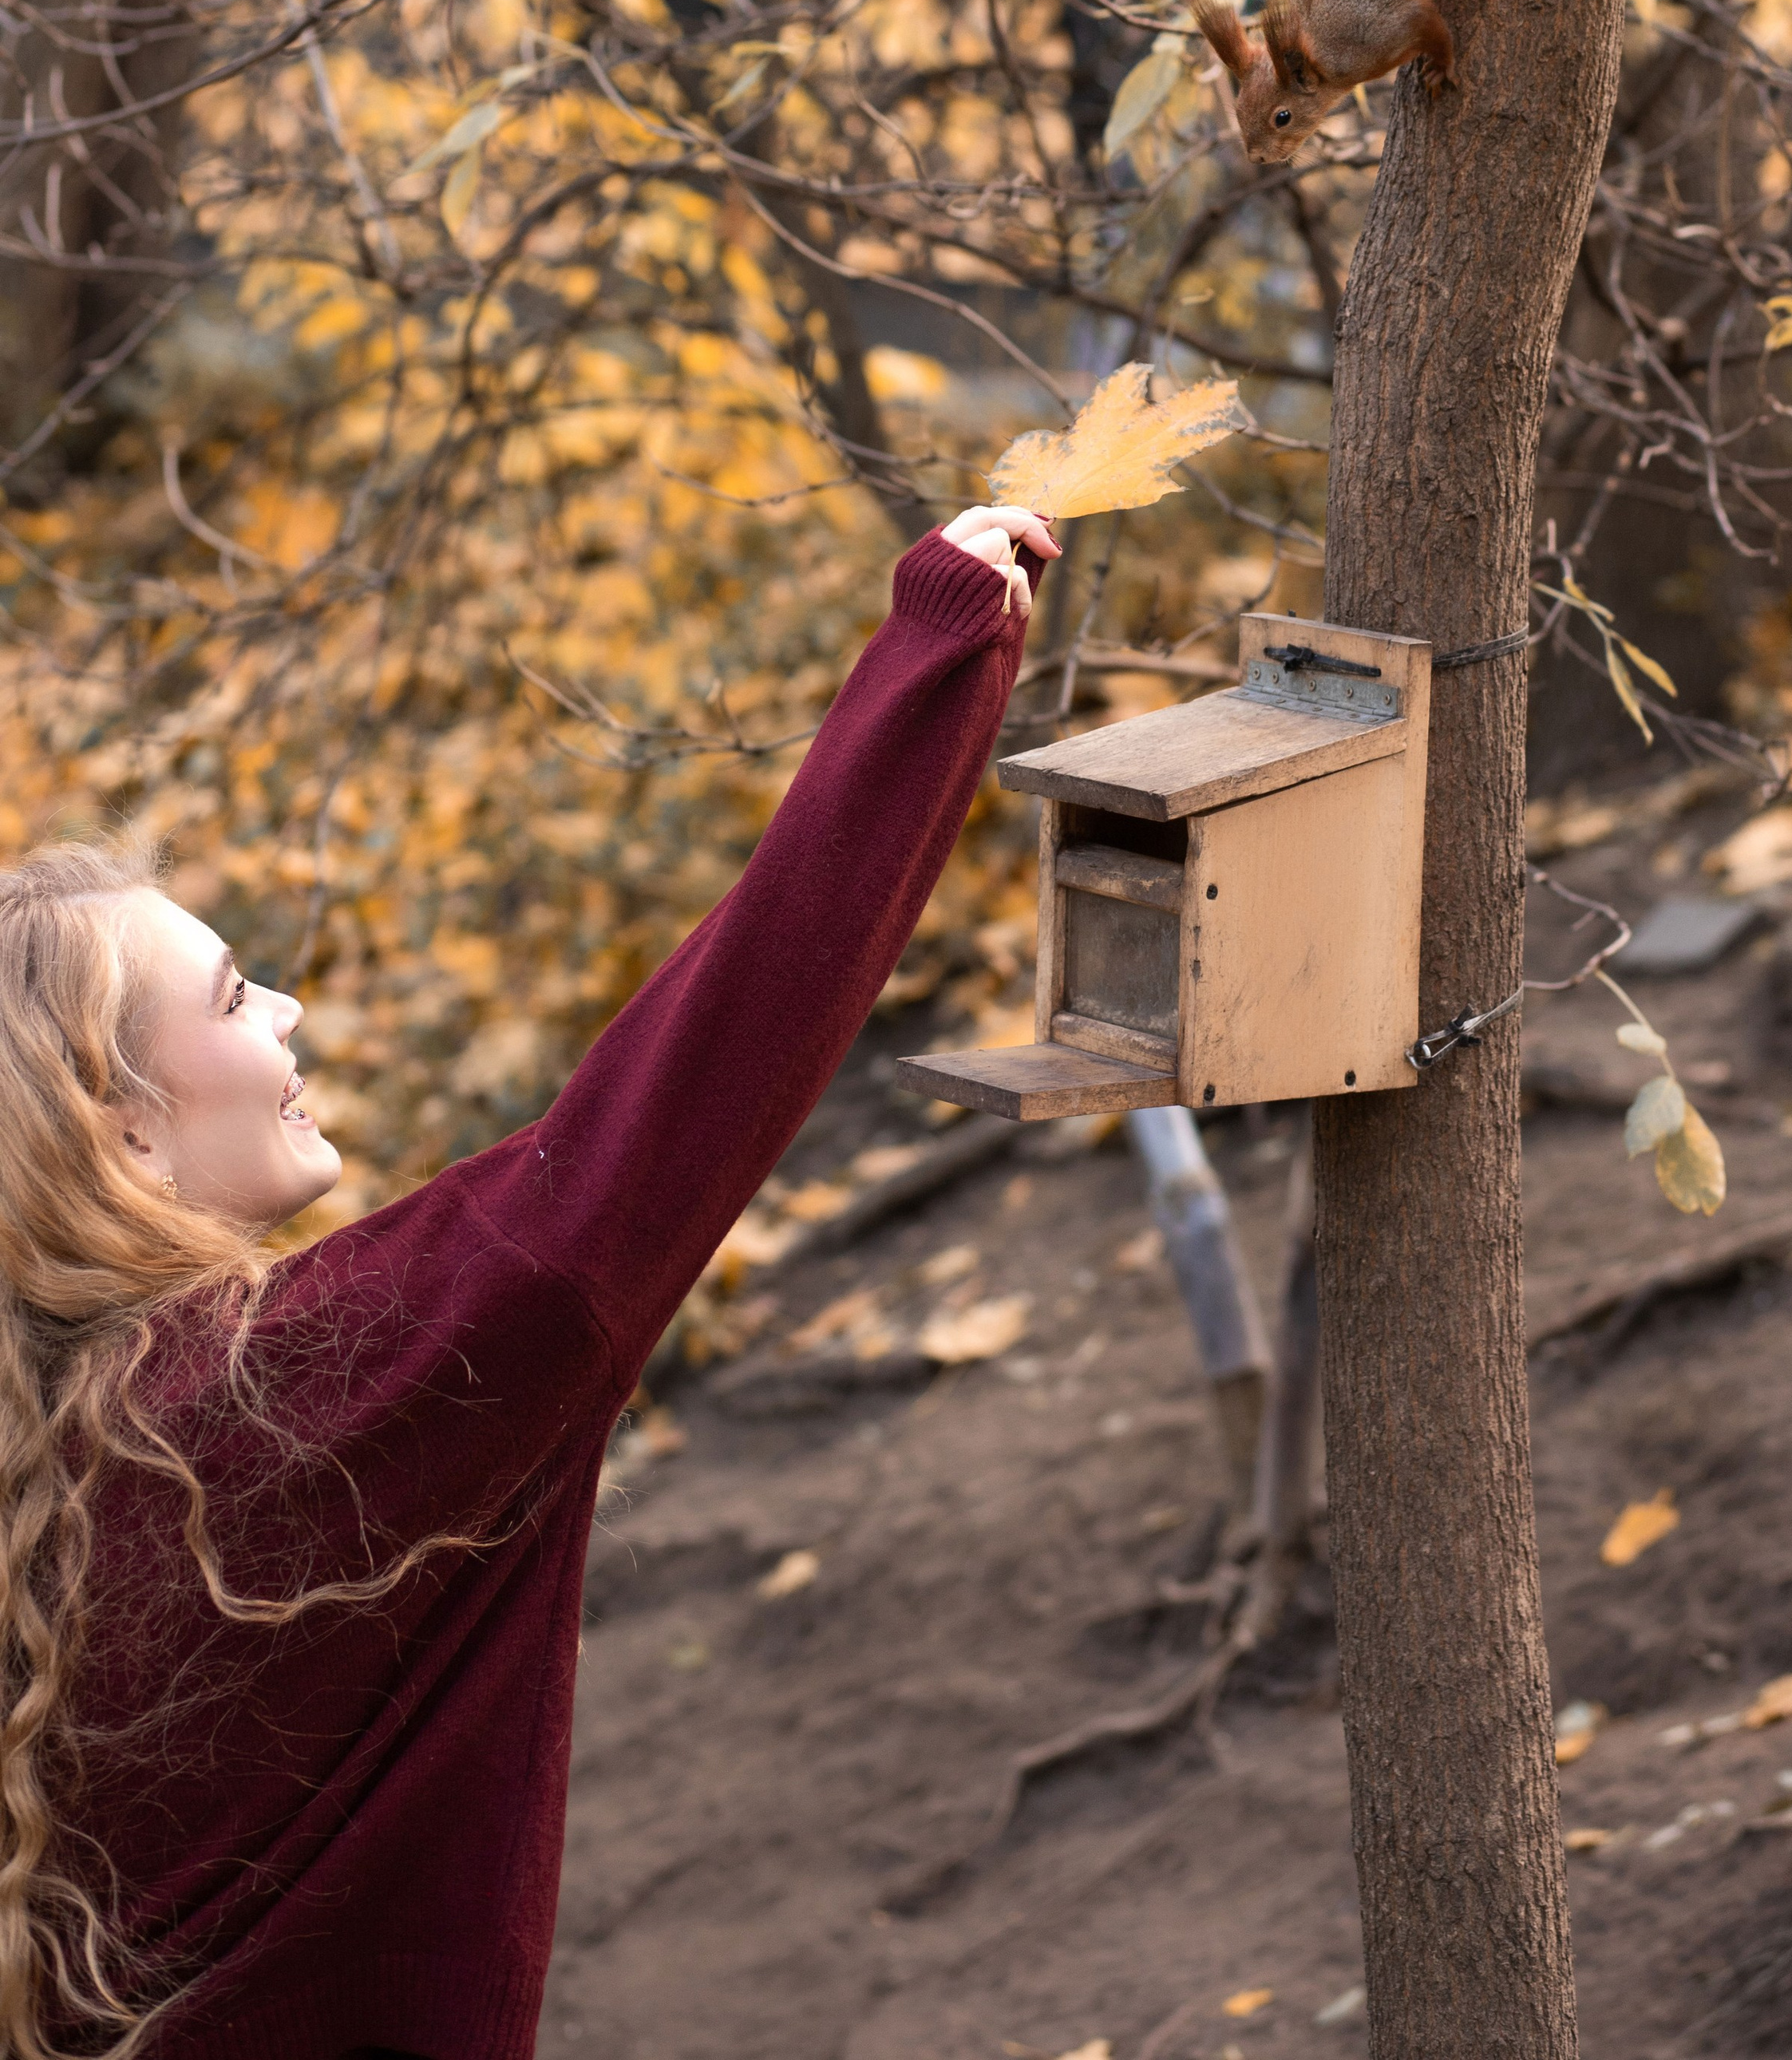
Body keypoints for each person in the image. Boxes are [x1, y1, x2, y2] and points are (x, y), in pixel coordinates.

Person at [0, 504, 1057, 2060]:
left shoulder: (59, 1448)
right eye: (235, 999)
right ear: (127, 1133)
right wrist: (939, 647)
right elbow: (665, 1117)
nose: (286, 1013)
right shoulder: (294, 1405)